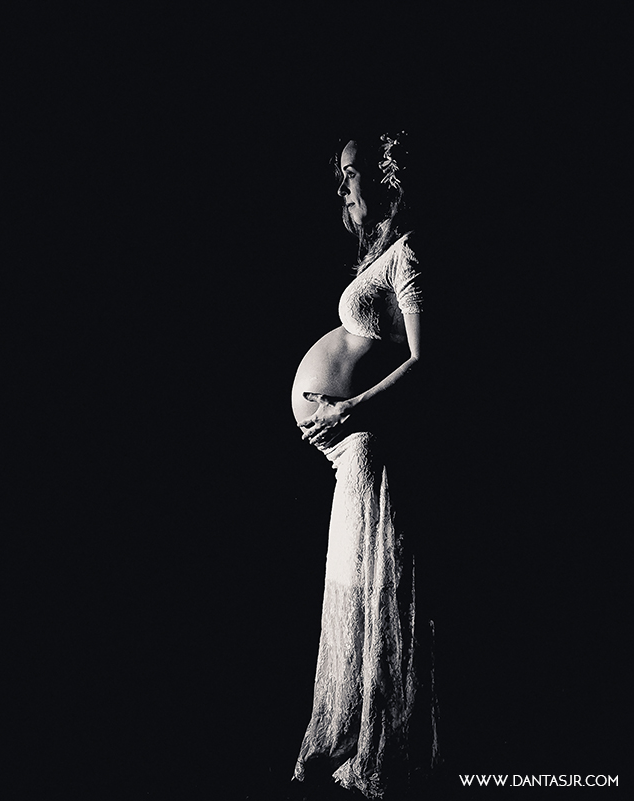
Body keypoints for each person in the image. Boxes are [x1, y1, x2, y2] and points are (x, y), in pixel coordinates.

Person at [290, 133, 440, 797]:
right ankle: (348, 736)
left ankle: (379, 751)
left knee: (372, 589)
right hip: (349, 443)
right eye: (342, 173)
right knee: (352, 586)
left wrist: (347, 408)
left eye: (355, 171)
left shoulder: (412, 252)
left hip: (364, 437)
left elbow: (428, 361)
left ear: (387, 173)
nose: (345, 184)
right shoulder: (382, 253)